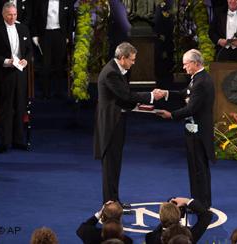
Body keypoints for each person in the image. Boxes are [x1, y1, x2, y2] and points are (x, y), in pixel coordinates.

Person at [93, 42, 163, 206]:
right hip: (110, 125)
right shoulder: (111, 72)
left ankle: (114, 200)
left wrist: (137, 105)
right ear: (122, 58)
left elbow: (121, 98)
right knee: (110, 166)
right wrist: (151, 96)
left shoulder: (117, 69)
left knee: (115, 164)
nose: (133, 62)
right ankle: (109, 204)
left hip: (116, 121)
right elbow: (125, 95)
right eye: (132, 59)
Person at [156, 49, 215, 209]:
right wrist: (166, 93)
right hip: (193, 132)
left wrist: (171, 115)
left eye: (185, 64)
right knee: (195, 168)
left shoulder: (202, 82)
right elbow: (185, 93)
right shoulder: (197, 78)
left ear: (195, 63)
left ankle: (203, 203)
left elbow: (191, 108)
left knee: (200, 169)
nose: (184, 67)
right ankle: (197, 201)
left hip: (199, 133)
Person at [0, 2, 32, 153]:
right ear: (3, 14)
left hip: (21, 74)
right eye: (9, 15)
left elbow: (28, 50)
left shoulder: (23, 28)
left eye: (14, 14)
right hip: (5, 74)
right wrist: (7, 62)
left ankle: (18, 140)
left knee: (20, 106)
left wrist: (26, 60)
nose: (12, 17)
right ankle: (4, 142)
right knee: (6, 108)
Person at [31, 0, 74, 99]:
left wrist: (68, 36)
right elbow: (34, 18)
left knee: (59, 64)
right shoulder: (40, 2)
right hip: (45, 34)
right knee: (46, 65)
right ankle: (46, 93)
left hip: (60, 34)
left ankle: (59, 92)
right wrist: (34, 35)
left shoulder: (66, 2)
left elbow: (71, 19)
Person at [145, 197, 213, 244]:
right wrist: (187, 201)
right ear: (179, 217)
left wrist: (169, 211)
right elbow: (206, 215)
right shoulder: (188, 236)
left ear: (160, 218)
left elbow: (163, 224)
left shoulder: (151, 238)